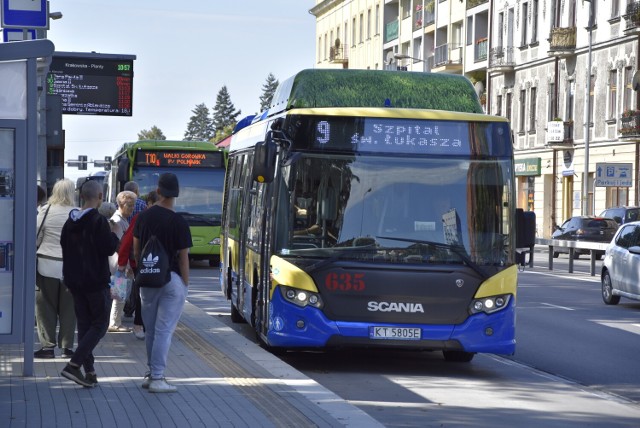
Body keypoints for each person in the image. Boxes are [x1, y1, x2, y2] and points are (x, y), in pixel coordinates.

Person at [134, 173, 192, 393]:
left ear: (158, 191)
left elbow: (137, 250)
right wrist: (185, 285)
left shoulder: (143, 218)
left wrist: (143, 270)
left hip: (148, 279)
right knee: (164, 330)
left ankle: (151, 374)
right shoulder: (178, 221)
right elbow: (183, 258)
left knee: (150, 330)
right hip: (171, 279)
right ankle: (158, 377)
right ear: (176, 194)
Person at [59, 179, 119, 388]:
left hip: (74, 282)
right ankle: (74, 364)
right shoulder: (98, 221)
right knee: (100, 325)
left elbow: (64, 250)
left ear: (81, 196)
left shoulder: (70, 222)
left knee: (85, 327)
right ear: (101, 197)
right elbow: (109, 248)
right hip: (95, 282)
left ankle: (90, 371)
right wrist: (115, 233)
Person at [34, 179, 77, 359]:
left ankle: (48, 347)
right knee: (69, 309)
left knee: (45, 307)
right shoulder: (77, 214)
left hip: (46, 265)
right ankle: (67, 348)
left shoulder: (45, 211)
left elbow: (35, 237)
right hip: (71, 268)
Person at [107, 190, 137, 333]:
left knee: (119, 294)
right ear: (121, 204)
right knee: (119, 295)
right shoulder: (118, 221)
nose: (132, 208)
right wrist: (127, 265)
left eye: (133, 205)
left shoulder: (122, 219)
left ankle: (115, 321)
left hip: (119, 264)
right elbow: (121, 246)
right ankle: (115, 322)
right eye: (129, 205)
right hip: (120, 264)